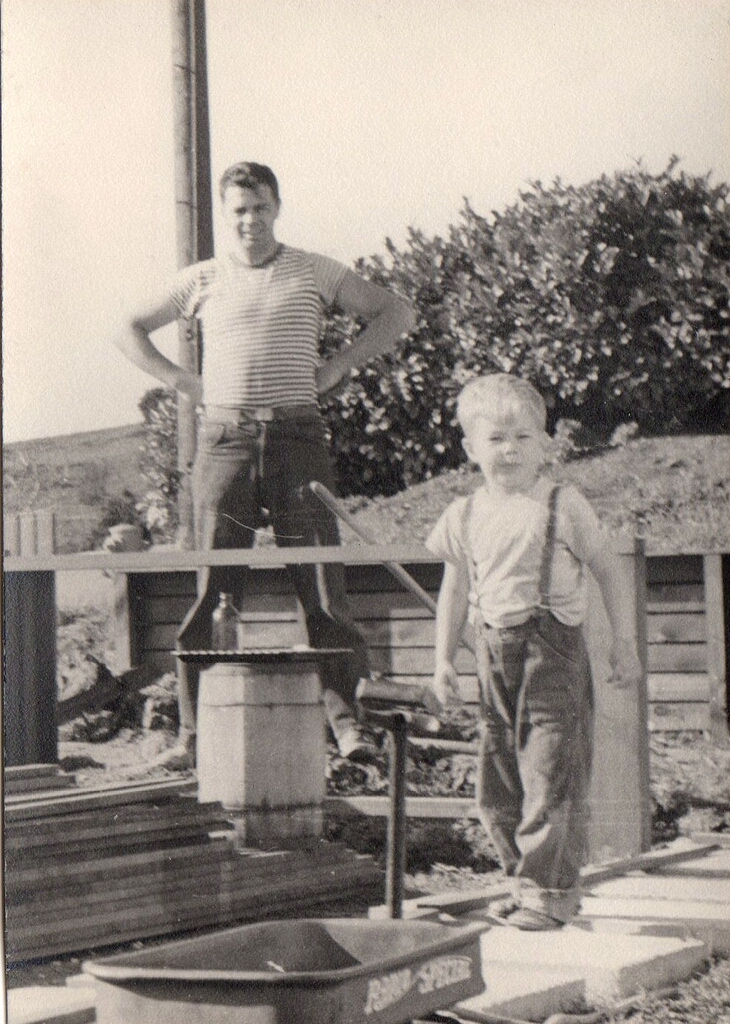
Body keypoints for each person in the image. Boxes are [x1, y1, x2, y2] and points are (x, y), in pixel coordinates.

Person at [115, 161, 416, 768]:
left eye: (259, 207)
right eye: (238, 211)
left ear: (277, 206)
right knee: (211, 594)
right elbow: (128, 327)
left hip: (297, 440)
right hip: (223, 443)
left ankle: (349, 727)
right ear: (227, 217)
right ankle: (194, 737)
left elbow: (395, 313)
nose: (250, 221)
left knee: (322, 588)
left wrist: (339, 366)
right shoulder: (201, 278)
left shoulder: (312, 269)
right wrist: (180, 381)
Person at [425, 373, 642, 930]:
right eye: (496, 439)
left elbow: (610, 571)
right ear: (471, 449)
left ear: (544, 444)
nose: (511, 451)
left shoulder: (562, 504)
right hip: (493, 657)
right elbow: (453, 589)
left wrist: (622, 642)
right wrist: (443, 660)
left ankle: (550, 894)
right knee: (496, 785)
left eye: (524, 438)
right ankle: (521, 883)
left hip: (555, 658)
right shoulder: (464, 514)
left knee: (551, 775)